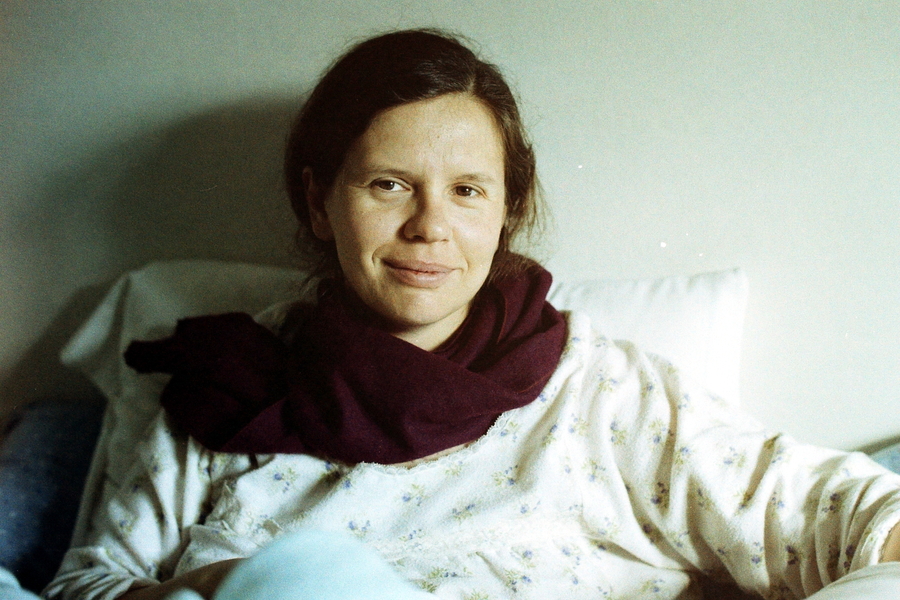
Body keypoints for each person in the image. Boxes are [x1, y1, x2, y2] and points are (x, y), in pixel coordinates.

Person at [44, 29, 900, 600]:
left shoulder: (599, 391)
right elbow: (89, 585)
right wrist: (232, 585)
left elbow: (828, 513)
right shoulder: (224, 385)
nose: (429, 226)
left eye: (466, 191)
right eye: (389, 185)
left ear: (506, 211)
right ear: (318, 202)